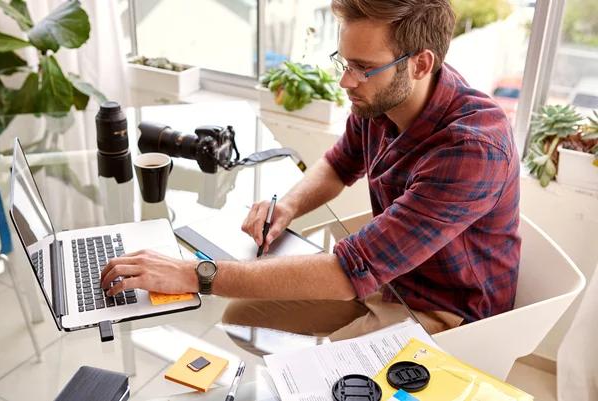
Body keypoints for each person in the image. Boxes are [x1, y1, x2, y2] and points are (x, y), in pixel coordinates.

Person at [100, 0, 521, 340]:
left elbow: (344, 275)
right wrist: (287, 207)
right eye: (345, 62)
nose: (346, 82)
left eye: (362, 67)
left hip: (446, 309)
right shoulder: (382, 95)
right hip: (387, 277)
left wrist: (193, 273)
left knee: (318, 377)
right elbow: (339, 166)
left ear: (420, 64)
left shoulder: (472, 149)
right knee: (240, 311)